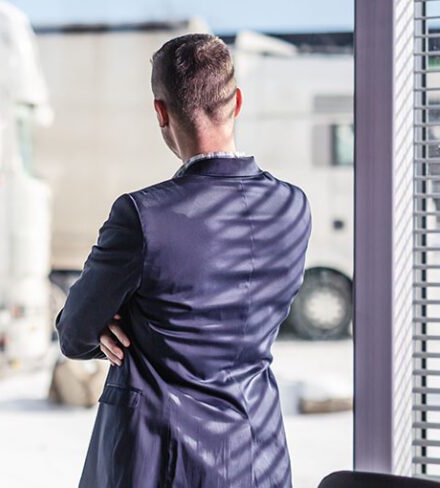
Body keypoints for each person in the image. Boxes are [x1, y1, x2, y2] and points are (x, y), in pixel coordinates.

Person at [55, 33, 311, 488]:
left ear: (161, 111)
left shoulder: (142, 216)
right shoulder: (292, 207)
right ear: (237, 102)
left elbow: (75, 333)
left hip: (155, 461)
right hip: (256, 457)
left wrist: (112, 324)